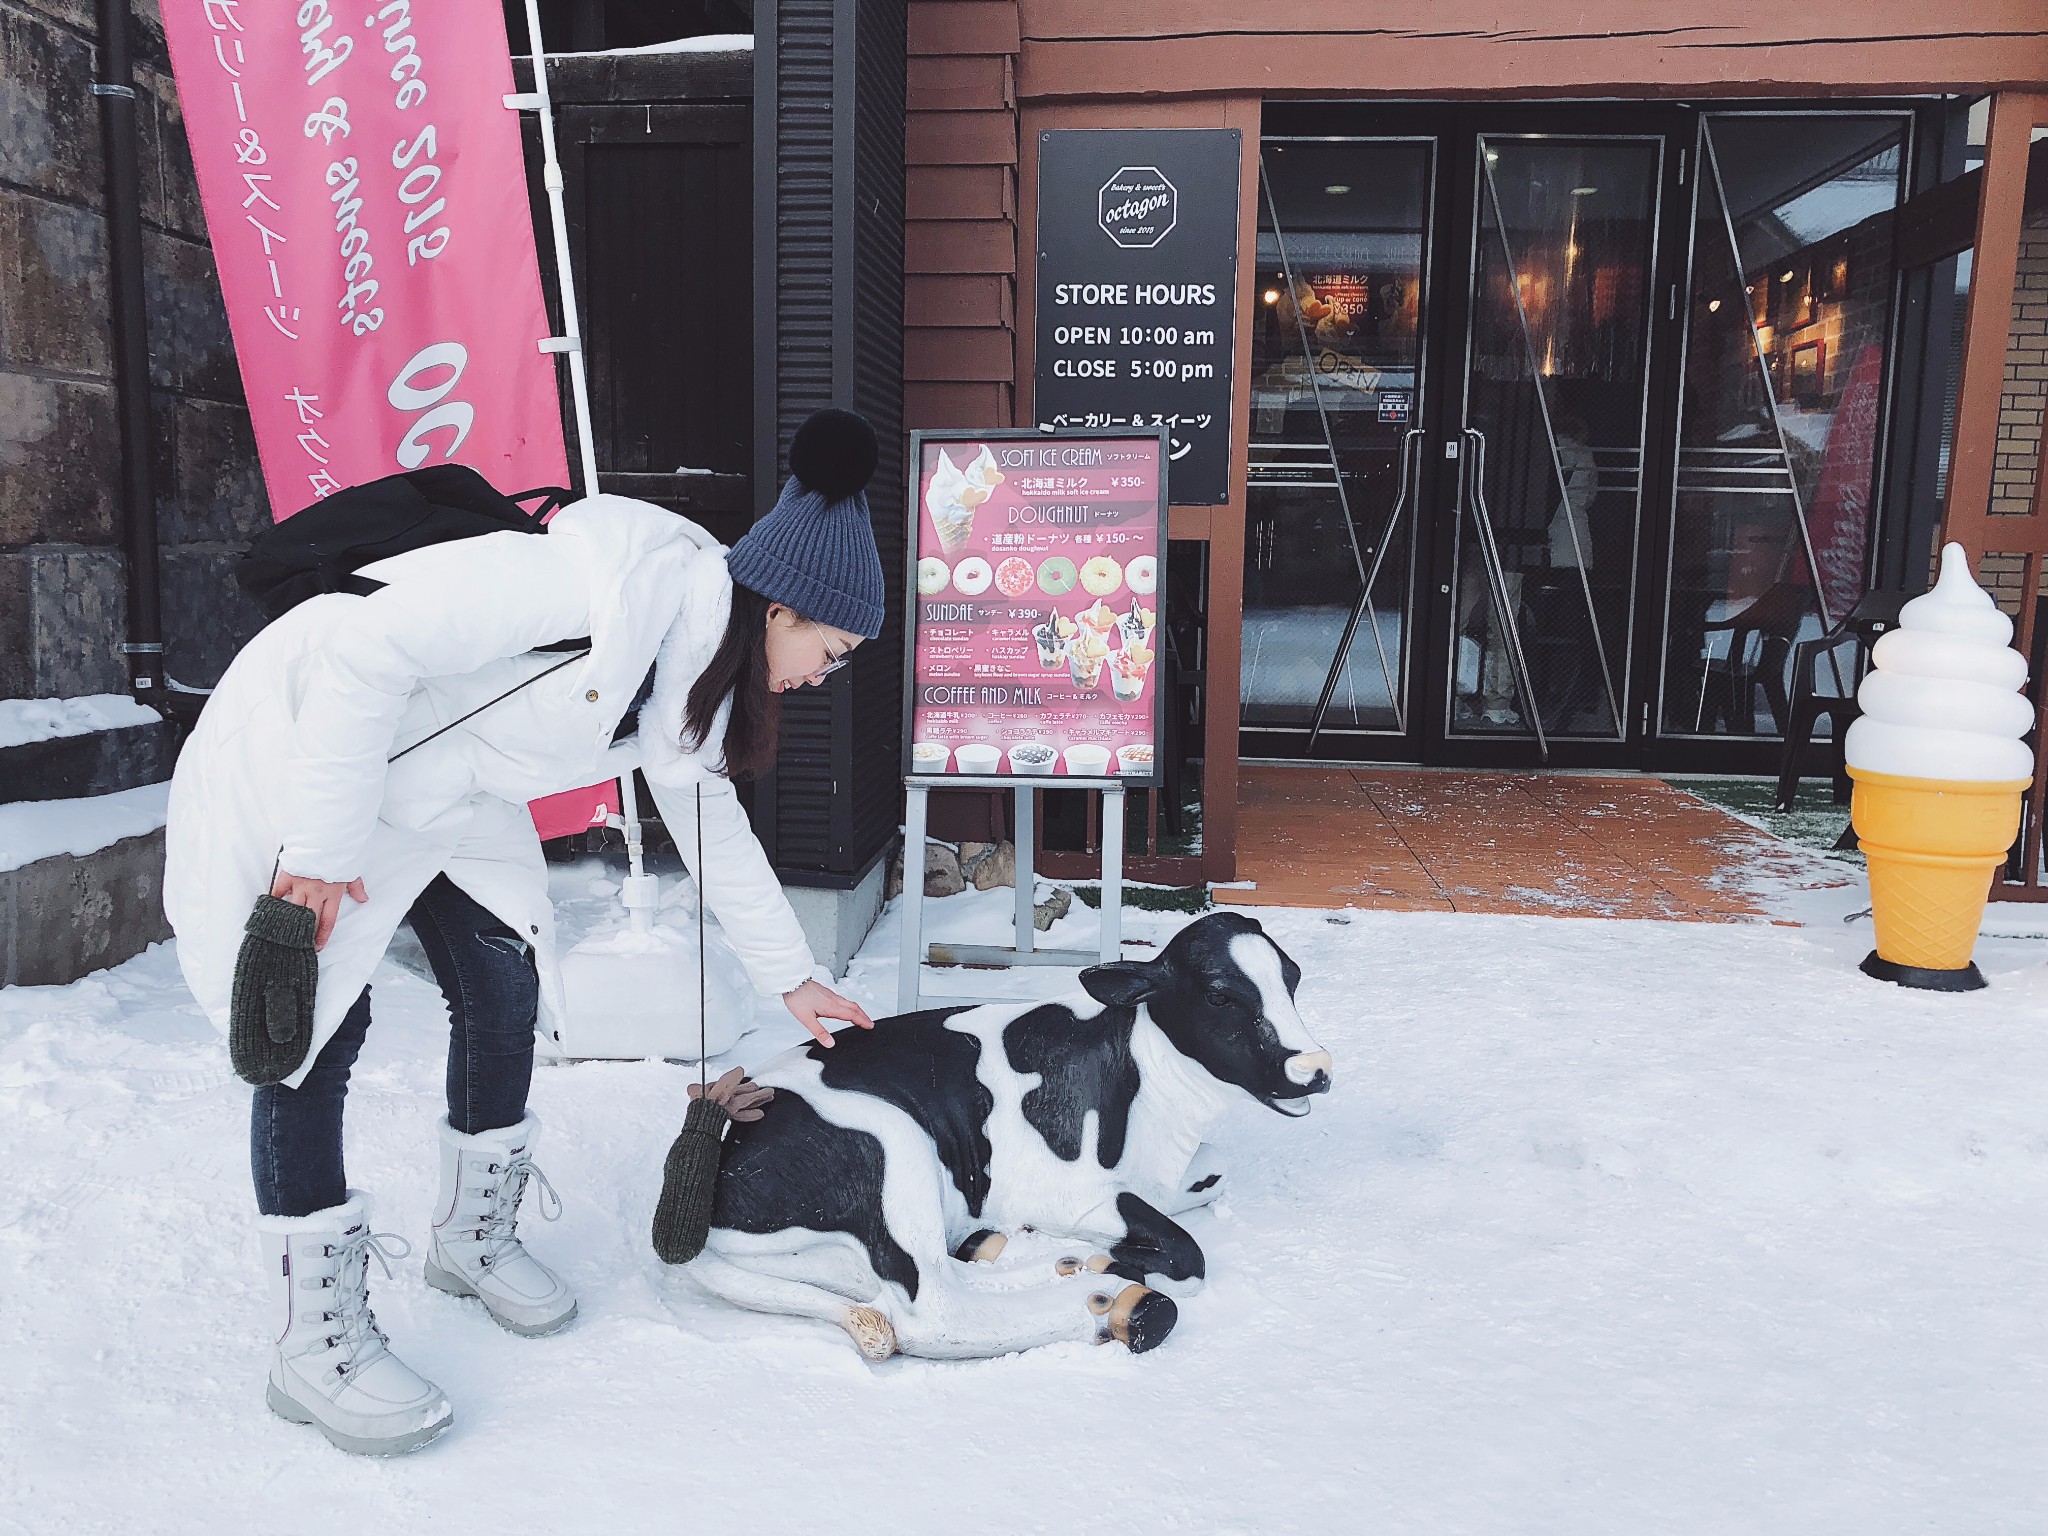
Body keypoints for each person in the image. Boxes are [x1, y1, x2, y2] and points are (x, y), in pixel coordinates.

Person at [163, 409, 884, 1457]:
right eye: (831, 649)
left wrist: (791, 978)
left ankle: (467, 1239)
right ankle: (307, 1345)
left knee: (502, 974)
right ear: (780, 609)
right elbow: (366, 647)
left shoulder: (693, 670)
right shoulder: (594, 592)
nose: (825, 676)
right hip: (315, 751)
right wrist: (316, 852)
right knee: (305, 1027)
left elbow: (704, 815)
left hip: (445, 788)